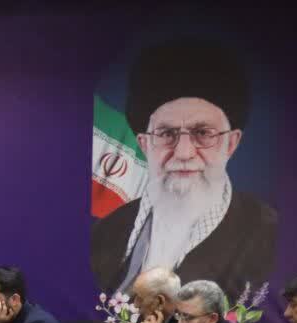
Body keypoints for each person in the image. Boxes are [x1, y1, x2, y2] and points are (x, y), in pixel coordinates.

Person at [91, 38, 276, 303]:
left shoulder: (268, 236)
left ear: (231, 143)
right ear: (144, 143)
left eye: (203, 133)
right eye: (167, 134)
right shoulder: (105, 234)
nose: (184, 152)